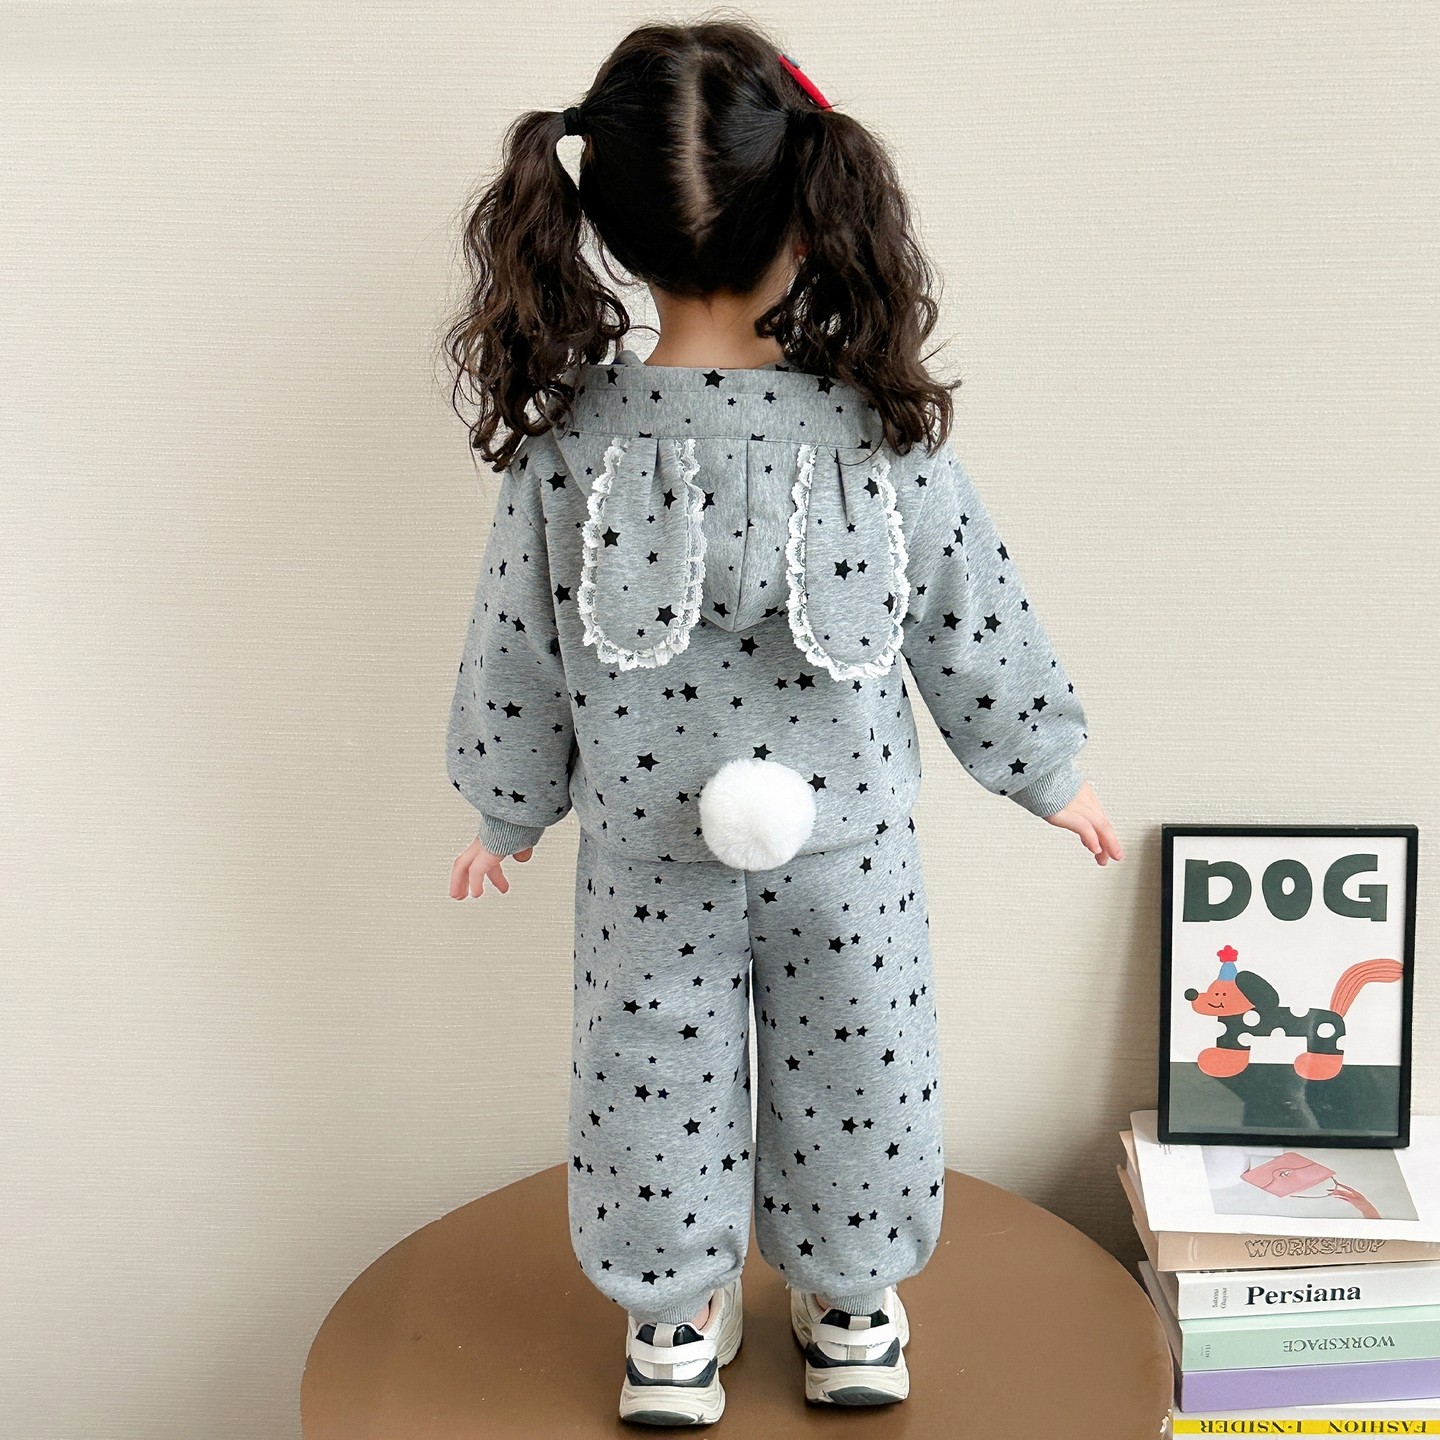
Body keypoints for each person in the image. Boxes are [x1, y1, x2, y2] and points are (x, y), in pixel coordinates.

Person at [439, 19, 1123, 1426]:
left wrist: (505, 810)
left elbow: (518, 649)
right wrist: (1050, 771)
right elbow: (972, 618)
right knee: (865, 1061)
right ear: (813, 209)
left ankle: (671, 1321)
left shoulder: (572, 445)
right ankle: (851, 1302)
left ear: (608, 227)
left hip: (647, 859)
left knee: (648, 1070)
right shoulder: (880, 433)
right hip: (849, 857)